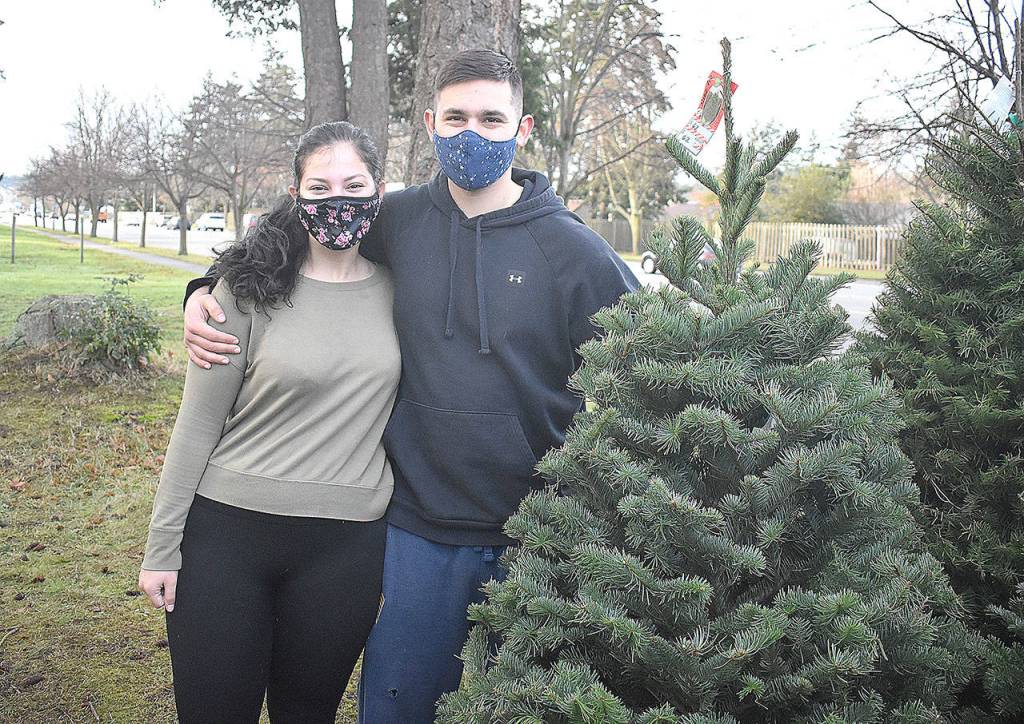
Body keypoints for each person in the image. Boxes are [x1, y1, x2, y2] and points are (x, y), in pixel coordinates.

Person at [180, 49, 639, 722]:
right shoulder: (394, 219)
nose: (471, 134)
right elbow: (289, 231)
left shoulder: (571, 250)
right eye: (455, 117)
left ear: (524, 127)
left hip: (536, 532)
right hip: (415, 530)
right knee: (400, 707)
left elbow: (652, 358)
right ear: (429, 123)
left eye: (491, 118)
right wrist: (199, 291)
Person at [138, 121, 399, 724]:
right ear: (296, 194)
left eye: (354, 185)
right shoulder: (245, 292)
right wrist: (162, 547)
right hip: (225, 539)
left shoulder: (401, 289)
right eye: (320, 187)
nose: (339, 201)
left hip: (345, 549)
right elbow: (197, 424)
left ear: (379, 191)